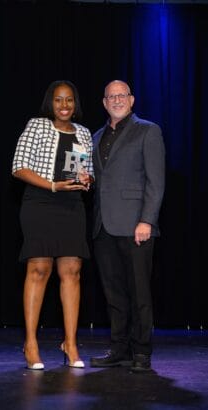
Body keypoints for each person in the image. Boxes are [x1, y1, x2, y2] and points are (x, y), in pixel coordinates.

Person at [12, 80, 93, 370]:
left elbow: (88, 171)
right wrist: (52, 186)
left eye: (69, 100)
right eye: (58, 100)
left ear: (75, 103)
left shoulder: (84, 133)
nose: (64, 106)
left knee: (72, 271)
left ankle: (70, 343)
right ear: (51, 102)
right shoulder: (37, 125)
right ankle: (30, 344)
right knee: (39, 269)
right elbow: (18, 166)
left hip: (72, 206)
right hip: (40, 202)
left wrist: (86, 179)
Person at [90, 80, 165, 372]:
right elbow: (101, 181)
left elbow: (156, 181)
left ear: (132, 100)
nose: (117, 100)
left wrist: (147, 219)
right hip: (103, 227)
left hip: (136, 225)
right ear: (104, 102)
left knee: (139, 293)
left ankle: (142, 352)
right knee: (114, 294)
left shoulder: (148, 130)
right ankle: (119, 348)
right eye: (111, 96)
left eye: (122, 95)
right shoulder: (96, 136)